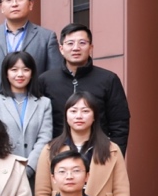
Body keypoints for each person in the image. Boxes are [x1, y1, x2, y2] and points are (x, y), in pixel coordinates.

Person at [34, 92, 133, 196]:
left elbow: (122, 195)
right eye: (73, 111)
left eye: (85, 111)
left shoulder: (111, 150)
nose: (79, 116)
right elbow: (42, 194)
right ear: (66, 116)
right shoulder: (50, 149)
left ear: (94, 116)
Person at [39, 23, 131, 154]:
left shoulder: (108, 79)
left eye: (82, 43)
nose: (76, 48)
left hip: (98, 154)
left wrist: (114, 156)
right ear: (61, 49)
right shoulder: (46, 80)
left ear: (91, 48)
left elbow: (119, 123)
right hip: (58, 155)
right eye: (70, 43)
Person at [0, 0, 66, 94]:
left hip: (34, 100)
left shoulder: (46, 37)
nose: (14, 4)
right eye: (9, 0)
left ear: (30, 4)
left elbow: (54, 76)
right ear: (1, 7)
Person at [0, 51, 53, 177]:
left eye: (26, 70)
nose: (20, 74)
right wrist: (11, 167)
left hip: (36, 170)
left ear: (32, 73)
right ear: (6, 73)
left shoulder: (44, 103)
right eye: (14, 70)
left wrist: (30, 167)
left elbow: (45, 138)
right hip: (3, 170)